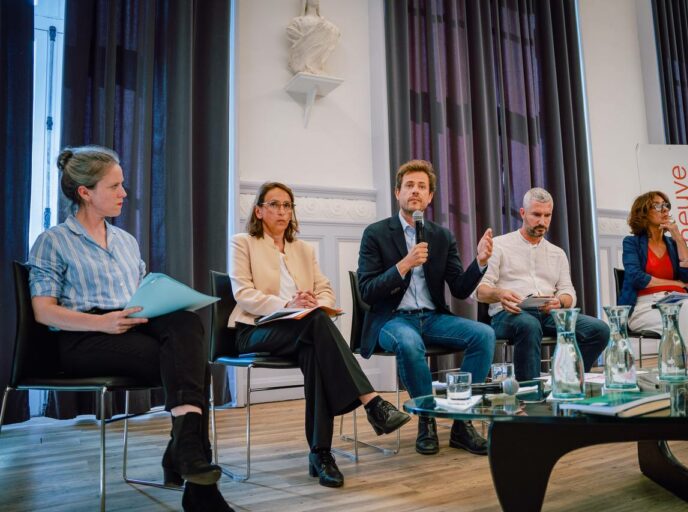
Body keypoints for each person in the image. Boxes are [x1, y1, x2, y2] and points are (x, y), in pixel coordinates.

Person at [27, 146, 231, 512]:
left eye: (123, 185)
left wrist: (158, 301)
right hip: (82, 339)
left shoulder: (125, 241)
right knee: (191, 364)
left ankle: (187, 459)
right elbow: (43, 312)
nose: (125, 193)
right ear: (85, 192)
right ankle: (192, 473)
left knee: (185, 322)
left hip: (131, 328)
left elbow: (139, 293)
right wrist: (101, 323)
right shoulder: (53, 241)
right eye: (115, 186)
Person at [229, 182, 410, 489]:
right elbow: (243, 293)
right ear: (259, 211)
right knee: (315, 325)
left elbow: (325, 289)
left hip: (303, 330)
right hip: (257, 331)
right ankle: (372, 402)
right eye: (274, 205)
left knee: (316, 349)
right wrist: (288, 304)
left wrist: (318, 303)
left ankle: (321, 454)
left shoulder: (303, 249)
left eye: (288, 205)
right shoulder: (243, 242)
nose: (283, 211)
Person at [357, 159, 496, 456]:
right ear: (397, 192)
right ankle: (427, 420)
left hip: (432, 318)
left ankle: (461, 422)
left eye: (422, 187)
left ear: (430, 196)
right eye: (409, 186)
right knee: (409, 342)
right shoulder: (376, 233)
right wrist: (404, 265)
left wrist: (480, 262)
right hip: (391, 321)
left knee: (483, 334)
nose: (415, 191)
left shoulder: (442, 236)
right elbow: (366, 291)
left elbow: (459, 287)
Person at [475, 187, 609, 381]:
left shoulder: (557, 253)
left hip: (548, 313)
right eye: (536, 214)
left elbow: (568, 291)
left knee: (600, 330)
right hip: (509, 314)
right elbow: (480, 290)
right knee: (529, 325)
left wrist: (560, 302)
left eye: (547, 215)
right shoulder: (499, 245)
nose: (542, 222)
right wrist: (500, 294)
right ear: (522, 213)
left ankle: (565, 377)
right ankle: (530, 393)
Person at [618, 191, 688, 365]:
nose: (664, 210)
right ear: (644, 212)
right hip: (645, 308)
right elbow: (636, 277)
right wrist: (675, 283)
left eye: (666, 205)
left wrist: (678, 237)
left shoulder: (671, 244)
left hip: (677, 304)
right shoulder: (631, 243)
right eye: (657, 206)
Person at [286, 0, 341, 75]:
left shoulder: (328, 26)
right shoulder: (297, 22)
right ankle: (307, 65)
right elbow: (291, 31)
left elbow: (336, 32)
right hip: (301, 62)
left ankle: (315, 66)